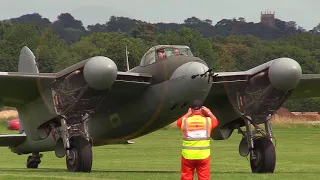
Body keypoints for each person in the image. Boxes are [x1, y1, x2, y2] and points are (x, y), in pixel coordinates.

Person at [176, 100, 219, 180]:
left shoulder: (185, 121)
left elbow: (178, 123)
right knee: (204, 177)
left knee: (186, 177)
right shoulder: (207, 121)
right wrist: (209, 112)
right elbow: (215, 122)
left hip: (188, 155)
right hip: (203, 155)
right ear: (202, 109)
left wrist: (188, 114)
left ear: (191, 109)